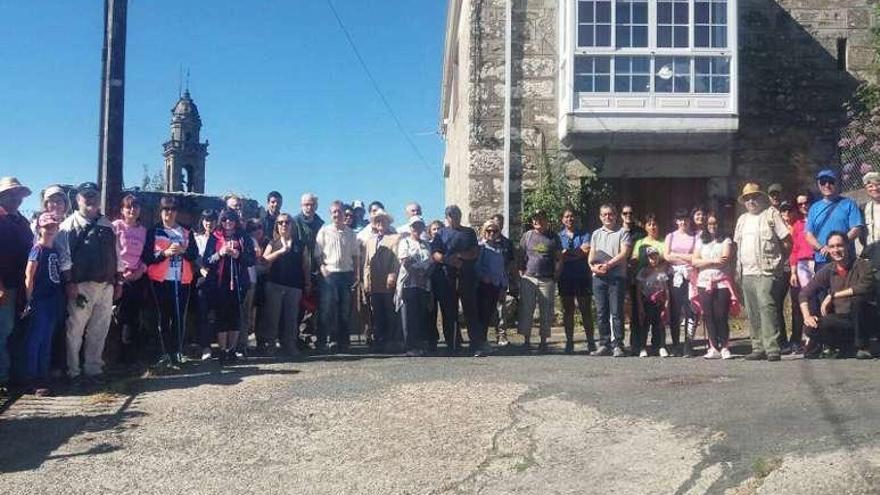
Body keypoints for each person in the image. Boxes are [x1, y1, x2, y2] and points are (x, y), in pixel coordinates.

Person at [56, 182, 123, 384]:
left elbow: (117, 254)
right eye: (86, 195)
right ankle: (73, 371)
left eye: (93, 195)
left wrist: (118, 281)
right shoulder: (68, 225)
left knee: (99, 330)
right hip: (81, 286)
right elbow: (64, 257)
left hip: (106, 286)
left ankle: (93, 369)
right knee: (75, 330)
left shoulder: (107, 224)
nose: (90, 198)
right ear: (77, 199)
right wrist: (70, 283)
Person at [734, 183, 791, 361]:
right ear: (744, 202)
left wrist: (780, 263)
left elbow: (787, 241)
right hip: (746, 272)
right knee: (752, 311)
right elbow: (737, 246)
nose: (751, 201)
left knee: (767, 306)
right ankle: (758, 347)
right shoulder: (742, 219)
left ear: (761, 198)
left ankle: (773, 348)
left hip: (766, 271)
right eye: (747, 198)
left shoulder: (770, 214)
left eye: (754, 197)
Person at [142, 196, 199, 367]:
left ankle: (176, 352)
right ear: (161, 212)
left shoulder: (186, 231)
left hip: (181, 281)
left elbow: (194, 254)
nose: (169, 213)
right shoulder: (153, 231)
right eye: (166, 209)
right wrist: (164, 254)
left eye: (173, 210)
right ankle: (163, 353)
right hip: (160, 281)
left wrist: (182, 251)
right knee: (162, 318)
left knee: (178, 318)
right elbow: (147, 257)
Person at [799, 231, 875, 359]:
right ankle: (844, 346)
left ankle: (863, 347)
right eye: (832, 247)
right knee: (810, 328)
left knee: (858, 301)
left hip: (865, 318)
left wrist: (833, 295)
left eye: (839, 245)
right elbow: (804, 293)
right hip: (842, 320)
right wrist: (807, 317)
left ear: (847, 245)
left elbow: (865, 287)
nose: (836, 250)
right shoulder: (829, 269)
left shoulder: (862, 265)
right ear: (828, 249)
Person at [431, 205, 486, 356]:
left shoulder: (469, 232)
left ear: (460, 216)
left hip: (466, 277)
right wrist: (449, 261)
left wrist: (461, 256)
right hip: (446, 277)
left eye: (456, 214)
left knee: (470, 310)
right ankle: (453, 345)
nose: (453, 217)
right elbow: (435, 254)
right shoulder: (441, 233)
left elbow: (475, 252)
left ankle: (475, 345)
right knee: (449, 312)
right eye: (450, 215)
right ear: (447, 217)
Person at [203, 209, 255, 364]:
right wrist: (220, 253)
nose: (228, 223)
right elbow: (206, 261)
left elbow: (251, 260)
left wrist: (238, 255)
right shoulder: (215, 237)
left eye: (231, 220)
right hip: (220, 284)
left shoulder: (243, 237)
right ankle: (223, 350)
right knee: (222, 317)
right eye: (225, 220)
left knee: (235, 317)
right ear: (221, 221)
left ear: (236, 221)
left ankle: (232, 350)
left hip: (239, 283)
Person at [21, 212, 63, 395]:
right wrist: (28, 300)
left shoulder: (55, 250)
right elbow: (29, 275)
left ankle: (43, 375)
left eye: (53, 226)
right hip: (40, 299)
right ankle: (31, 378)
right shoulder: (37, 249)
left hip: (53, 299)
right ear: (39, 228)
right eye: (46, 227)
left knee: (47, 339)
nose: (50, 230)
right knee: (36, 339)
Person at [0, 177, 34, 392]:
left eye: (18, 195)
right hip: (5, 286)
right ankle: (3, 378)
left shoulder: (22, 222)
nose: (15, 199)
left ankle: (14, 376)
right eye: (10, 194)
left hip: (20, 286)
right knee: (3, 331)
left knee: (16, 331)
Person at [260, 213, 309, 358]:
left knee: (292, 318)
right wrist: (280, 251)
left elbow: (305, 265)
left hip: (294, 286)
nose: (284, 225)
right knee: (272, 318)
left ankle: (290, 345)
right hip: (274, 284)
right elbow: (264, 260)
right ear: (276, 225)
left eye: (287, 222)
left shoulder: (300, 244)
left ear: (292, 225)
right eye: (280, 223)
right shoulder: (272, 243)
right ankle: (271, 346)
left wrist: (307, 283)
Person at [314, 200, 360, 353]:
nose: (337, 214)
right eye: (334, 212)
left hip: (346, 274)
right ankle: (321, 342)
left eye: (339, 212)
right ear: (330, 214)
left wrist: (357, 274)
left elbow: (356, 256)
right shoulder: (324, 231)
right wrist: (322, 268)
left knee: (344, 310)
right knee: (326, 309)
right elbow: (317, 254)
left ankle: (342, 342)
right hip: (329, 274)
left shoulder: (351, 233)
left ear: (344, 213)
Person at [589, 204, 633, 357]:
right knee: (601, 312)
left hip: (616, 277)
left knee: (616, 312)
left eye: (610, 214)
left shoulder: (623, 233)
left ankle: (618, 345)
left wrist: (608, 265)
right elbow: (591, 256)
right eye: (604, 215)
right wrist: (592, 268)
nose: (608, 217)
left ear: (615, 215)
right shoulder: (595, 234)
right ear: (600, 217)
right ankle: (604, 344)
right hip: (599, 277)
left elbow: (624, 253)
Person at [692, 212, 736, 359]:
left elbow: (725, 259)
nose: (712, 226)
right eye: (709, 224)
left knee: (721, 315)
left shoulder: (726, 240)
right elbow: (694, 261)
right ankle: (713, 347)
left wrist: (705, 262)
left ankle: (724, 347)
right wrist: (713, 262)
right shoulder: (700, 241)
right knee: (708, 315)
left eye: (715, 223)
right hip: (704, 283)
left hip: (721, 283)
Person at [518, 210, 563, 352]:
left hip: (547, 279)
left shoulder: (553, 236)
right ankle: (526, 341)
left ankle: (543, 342)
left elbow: (559, 257)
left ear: (546, 220)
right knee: (527, 309)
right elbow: (520, 254)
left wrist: (557, 273)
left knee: (546, 311)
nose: (537, 221)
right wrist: (520, 271)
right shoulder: (527, 236)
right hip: (529, 277)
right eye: (535, 219)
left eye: (540, 219)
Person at [111, 194, 147, 365]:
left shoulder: (143, 231)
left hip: (137, 277)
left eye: (135, 207)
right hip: (120, 277)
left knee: (133, 317)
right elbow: (110, 252)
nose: (132, 210)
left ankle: (129, 358)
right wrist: (120, 273)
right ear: (122, 210)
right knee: (119, 316)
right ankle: (115, 355)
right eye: (128, 207)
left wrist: (140, 271)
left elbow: (147, 255)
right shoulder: (116, 226)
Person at [805, 169, 863, 271]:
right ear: (819, 185)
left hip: (845, 258)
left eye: (831, 182)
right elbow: (808, 235)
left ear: (836, 183)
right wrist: (822, 248)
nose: (827, 185)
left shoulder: (849, 204)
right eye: (823, 182)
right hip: (822, 260)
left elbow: (856, 229)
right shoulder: (814, 208)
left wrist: (836, 246)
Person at [362, 209, 400, 352]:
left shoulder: (395, 238)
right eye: (377, 221)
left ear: (388, 222)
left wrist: (393, 275)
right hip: (374, 282)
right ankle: (380, 339)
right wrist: (366, 281)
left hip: (388, 281)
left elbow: (396, 260)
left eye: (383, 220)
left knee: (390, 311)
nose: (380, 223)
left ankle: (391, 340)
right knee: (376, 312)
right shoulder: (370, 242)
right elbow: (366, 263)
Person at [557, 208, 594, 354]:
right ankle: (569, 342)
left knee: (586, 310)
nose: (569, 219)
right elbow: (559, 255)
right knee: (568, 311)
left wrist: (568, 254)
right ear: (562, 219)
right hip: (565, 277)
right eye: (566, 217)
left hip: (582, 276)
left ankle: (591, 342)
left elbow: (584, 252)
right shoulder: (558, 237)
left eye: (571, 216)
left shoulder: (584, 234)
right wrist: (574, 254)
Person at [396, 216, 433, 356]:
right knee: (409, 315)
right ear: (410, 228)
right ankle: (409, 346)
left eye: (419, 226)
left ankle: (420, 344)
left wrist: (426, 275)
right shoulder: (404, 242)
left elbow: (431, 262)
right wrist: (418, 275)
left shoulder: (427, 244)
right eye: (414, 226)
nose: (417, 229)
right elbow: (405, 261)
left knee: (421, 314)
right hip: (409, 284)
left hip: (423, 284)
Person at [664, 208, 697, 356]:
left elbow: (695, 257)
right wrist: (685, 257)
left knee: (690, 310)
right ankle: (676, 344)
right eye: (680, 219)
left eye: (685, 219)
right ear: (676, 221)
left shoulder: (696, 237)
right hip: (675, 277)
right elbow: (666, 256)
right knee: (675, 311)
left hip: (690, 276)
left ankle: (688, 344)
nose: (683, 222)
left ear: (689, 221)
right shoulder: (670, 236)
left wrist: (676, 255)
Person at [784, 197, 812, 354]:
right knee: (798, 304)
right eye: (800, 204)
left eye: (806, 203)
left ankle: (814, 338)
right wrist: (793, 272)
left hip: (817, 263)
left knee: (816, 301)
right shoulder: (797, 225)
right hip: (801, 266)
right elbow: (794, 250)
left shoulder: (816, 221)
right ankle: (796, 340)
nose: (803, 206)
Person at [635, 246, 670, 357]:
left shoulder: (662, 272)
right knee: (645, 324)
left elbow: (666, 289)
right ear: (647, 259)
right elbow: (639, 290)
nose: (653, 260)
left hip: (659, 302)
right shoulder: (643, 272)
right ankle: (642, 347)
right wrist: (640, 306)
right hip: (647, 301)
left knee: (660, 325)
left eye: (655, 257)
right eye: (650, 258)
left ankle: (661, 346)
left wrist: (667, 304)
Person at [489, 213, 516, 346]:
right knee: (487, 307)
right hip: (487, 281)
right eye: (495, 223)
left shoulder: (507, 243)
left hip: (502, 281)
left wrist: (510, 277)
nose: (498, 225)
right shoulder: (484, 241)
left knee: (501, 308)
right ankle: (484, 337)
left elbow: (512, 262)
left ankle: (501, 335)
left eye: (500, 223)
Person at [194, 209, 218, 360]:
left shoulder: (219, 238)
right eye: (206, 220)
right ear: (202, 221)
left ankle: (220, 345)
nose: (209, 223)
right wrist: (201, 269)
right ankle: (204, 346)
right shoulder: (197, 238)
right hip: (200, 279)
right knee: (202, 312)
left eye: (212, 220)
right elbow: (193, 256)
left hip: (217, 279)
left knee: (214, 314)